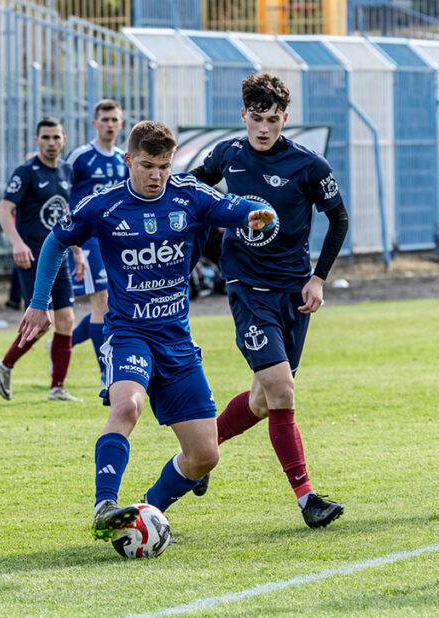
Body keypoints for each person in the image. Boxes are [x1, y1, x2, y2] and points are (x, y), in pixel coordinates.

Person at [18, 120, 276, 541]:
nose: (157, 175)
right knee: (127, 407)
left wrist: (258, 215)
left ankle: (149, 511)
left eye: (164, 166)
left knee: (205, 455)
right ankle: (105, 506)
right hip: (128, 334)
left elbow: (238, 208)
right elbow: (55, 241)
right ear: (128, 161)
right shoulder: (105, 205)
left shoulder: (189, 195)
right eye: (147, 166)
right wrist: (39, 302)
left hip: (176, 341)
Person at [186, 73, 349, 528]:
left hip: (294, 294)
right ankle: (307, 500)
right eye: (256, 118)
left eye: (273, 120)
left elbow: (339, 220)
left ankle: (203, 448)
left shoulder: (309, 166)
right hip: (247, 290)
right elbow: (191, 188)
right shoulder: (228, 155)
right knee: (281, 390)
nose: (264, 128)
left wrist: (318, 279)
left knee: (262, 401)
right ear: (243, 115)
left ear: (285, 119)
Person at [0, 116, 83, 402]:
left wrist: (77, 251)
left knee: (67, 319)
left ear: (64, 140)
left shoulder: (67, 171)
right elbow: (3, 209)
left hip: (60, 255)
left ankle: (58, 388)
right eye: (45, 137)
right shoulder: (26, 171)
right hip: (32, 256)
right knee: (41, 321)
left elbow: (66, 213)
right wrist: (17, 243)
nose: (51, 142)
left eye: (56, 137)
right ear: (37, 141)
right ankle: (6, 364)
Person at [64, 100, 127, 379]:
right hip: (87, 239)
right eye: (105, 119)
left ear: (121, 124)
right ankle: (106, 372)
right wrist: (72, 240)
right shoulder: (80, 157)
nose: (110, 124)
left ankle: (64, 344)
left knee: (111, 304)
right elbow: (61, 193)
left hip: (115, 239)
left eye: (114, 120)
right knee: (101, 302)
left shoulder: (123, 158)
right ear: (94, 123)